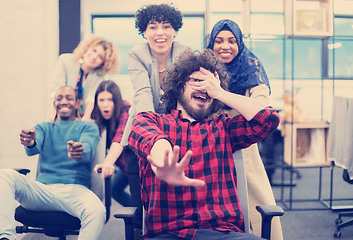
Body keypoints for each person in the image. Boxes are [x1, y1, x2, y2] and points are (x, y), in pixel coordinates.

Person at [128, 49, 280, 240]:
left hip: (223, 233)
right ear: (178, 85)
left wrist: (221, 93)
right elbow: (145, 135)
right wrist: (164, 160)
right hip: (168, 234)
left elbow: (268, 119)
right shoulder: (153, 121)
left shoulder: (224, 128)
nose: (204, 88)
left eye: (210, 84)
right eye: (197, 81)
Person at [207, 19, 283, 239]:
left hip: (242, 146)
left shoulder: (251, 66)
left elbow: (261, 109)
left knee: (257, 201)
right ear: (211, 44)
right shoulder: (203, 68)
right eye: (219, 41)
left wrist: (220, 93)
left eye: (232, 41)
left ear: (239, 43)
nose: (225, 46)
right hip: (208, 146)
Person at [120, 3, 190, 236]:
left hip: (176, 133)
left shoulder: (184, 53)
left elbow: (184, 96)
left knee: (172, 204)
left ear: (175, 30)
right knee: (142, 204)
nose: (160, 32)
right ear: (145, 32)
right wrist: (152, 134)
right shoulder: (136, 54)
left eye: (166, 26)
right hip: (141, 133)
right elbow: (142, 94)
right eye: (153, 27)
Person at [0, 86, 103, 240]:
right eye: (59, 98)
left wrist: (78, 151)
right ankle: (6, 237)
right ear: (54, 103)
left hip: (74, 191)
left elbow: (87, 148)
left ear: (77, 103)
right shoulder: (44, 127)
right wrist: (30, 142)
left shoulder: (88, 126)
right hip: (42, 191)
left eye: (68, 97)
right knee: (5, 175)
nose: (63, 101)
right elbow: (33, 146)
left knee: (97, 211)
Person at [49, 35, 119, 121]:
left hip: (81, 116)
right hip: (61, 113)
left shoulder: (100, 76)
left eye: (100, 57)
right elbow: (56, 91)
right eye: (94, 51)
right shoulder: (65, 60)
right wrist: (53, 119)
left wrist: (86, 119)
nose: (94, 57)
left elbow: (91, 97)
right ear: (87, 48)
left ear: (103, 62)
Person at [90, 80, 132, 206]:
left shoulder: (126, 110)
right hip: (125, 168)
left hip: (137, 168)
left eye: (110, 100)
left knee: (142, 202)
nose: (105, 105)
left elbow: (121, 137)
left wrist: (107, 162)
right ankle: (137, 215)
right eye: (101, 100)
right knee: (114, 189)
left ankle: (139, 217)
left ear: (117, 101)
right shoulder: (97, 116)